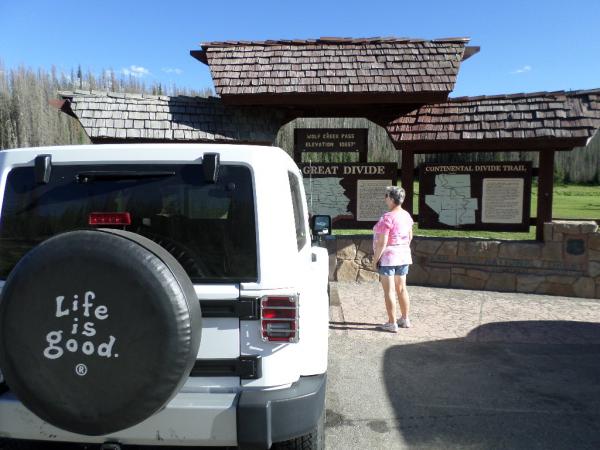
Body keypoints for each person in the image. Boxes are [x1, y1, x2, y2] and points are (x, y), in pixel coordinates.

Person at [372, 186, 414, 332]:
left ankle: (391, 323)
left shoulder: (387, 218)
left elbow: (382, 242)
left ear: (391, 199)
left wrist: (375, 259)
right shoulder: (407, 216)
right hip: (403, 256)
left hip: (389, 258)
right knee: (402, 288)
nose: (385, 198)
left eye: (386, 196)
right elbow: (410, 236)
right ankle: (405, 319)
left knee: (389, 291)